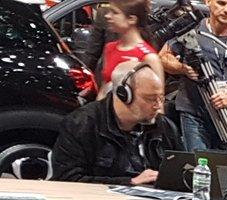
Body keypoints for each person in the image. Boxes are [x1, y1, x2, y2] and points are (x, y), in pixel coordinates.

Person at [51, 64, 182, 185]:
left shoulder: (165, 127)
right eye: (150, 99)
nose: (158, 106)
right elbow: (67, 179)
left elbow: (182, 173)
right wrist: (130, 182)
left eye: (161, 98)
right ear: (124, 95)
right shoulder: (81, 124)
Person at [160, 0, 227, 153]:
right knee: (200, 159)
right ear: (208, 2)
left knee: (225, 161)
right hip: (193, 111)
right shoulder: (191, 31)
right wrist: (182, 69)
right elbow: (163, 57)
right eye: (221, 3)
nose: (226, 10)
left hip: (224, 112)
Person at [96, 0, 160, 92]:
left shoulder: (149, 57)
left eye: (115, 12)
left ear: (131, 19)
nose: (107, 16)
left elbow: (157, 97)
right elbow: (103, 90)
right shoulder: (109, 48)